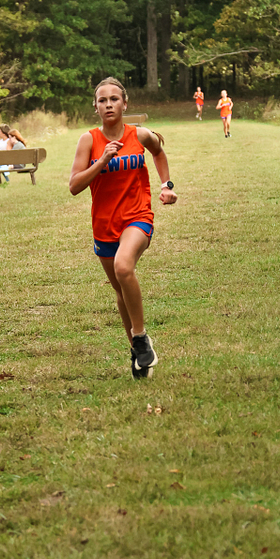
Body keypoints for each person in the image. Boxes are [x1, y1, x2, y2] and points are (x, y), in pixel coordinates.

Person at [69, 77, 177, 379]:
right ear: (95, 107)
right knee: (120, 290)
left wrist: (166, 185)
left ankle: (140, 338)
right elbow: (74, 186)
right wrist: (102, 160)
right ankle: (137, 353)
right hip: (104, 225)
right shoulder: (88, 140)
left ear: (124, 104)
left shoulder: (138, 135)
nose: (108, 105)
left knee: (123, 267)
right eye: (102, 100)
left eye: (114, 99)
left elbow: (158, 151)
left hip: (137, 216)